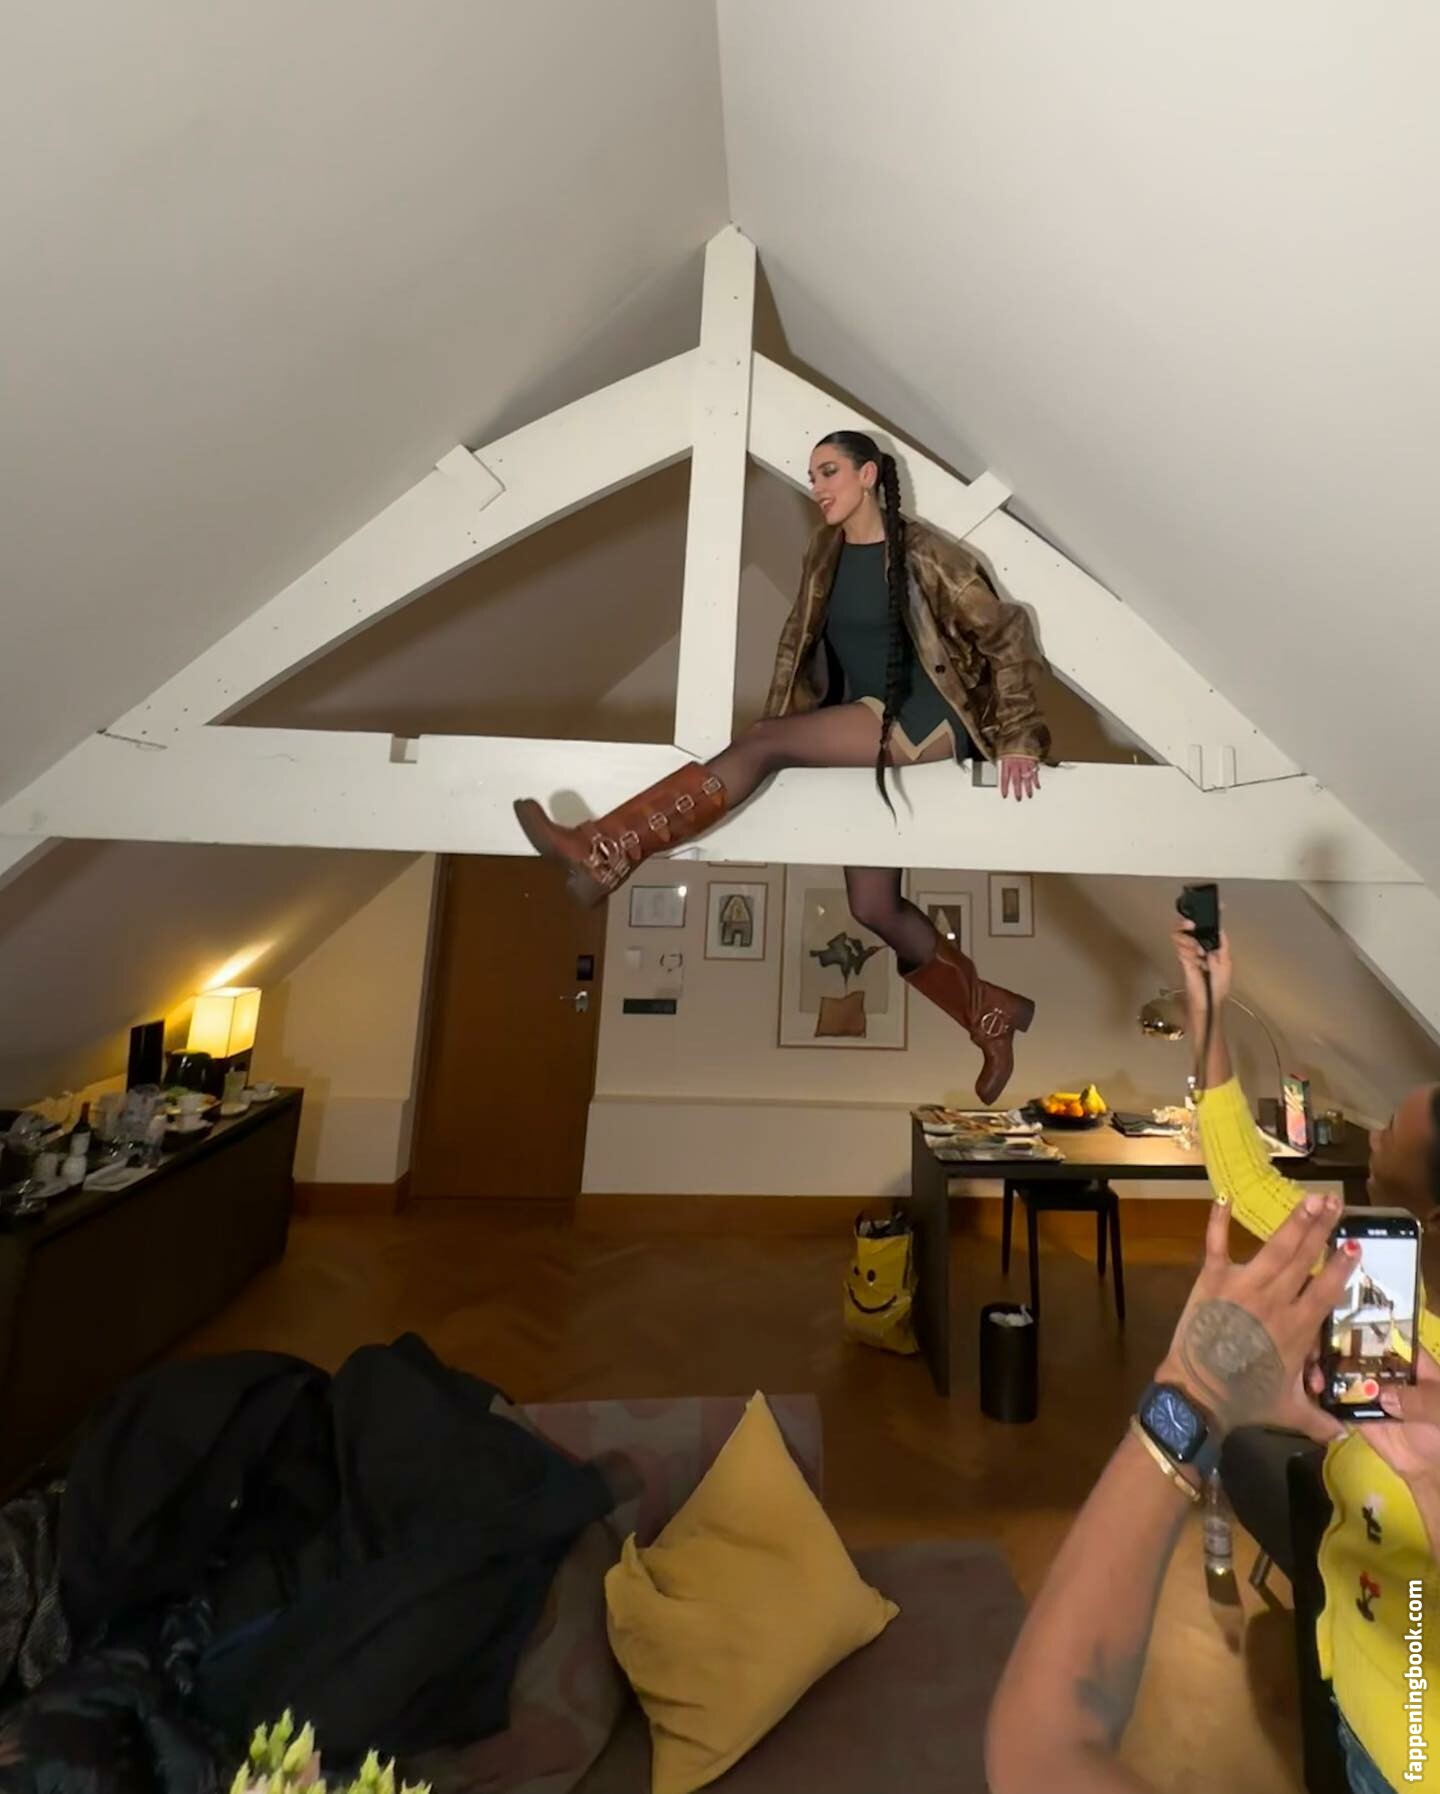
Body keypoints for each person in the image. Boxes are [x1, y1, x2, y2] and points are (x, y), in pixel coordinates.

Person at [986, 923, 1440, 1794]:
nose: (1376, 1136)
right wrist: (1208, 1013)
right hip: (1362, 1713)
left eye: (1392, 1129)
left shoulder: (1369, 1295)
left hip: (1406, 1749)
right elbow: (1241, 1170)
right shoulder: (1356, 1276)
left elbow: (1037, 1749)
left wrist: (1188, 1394)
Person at [514, 431, 1051, 1103]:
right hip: (861, 717)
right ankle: (990, 1014)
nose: (816, 486)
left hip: (923, 716)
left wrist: (1019, 737)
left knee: (765, 742)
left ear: (867, 475)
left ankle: (607, 850)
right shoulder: (824, 552)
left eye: (829, 472)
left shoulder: (926, 552)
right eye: (812, 475)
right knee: (872, 906)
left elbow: (1007, 633)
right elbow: (800, 646)